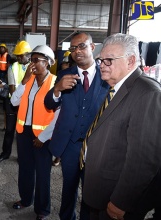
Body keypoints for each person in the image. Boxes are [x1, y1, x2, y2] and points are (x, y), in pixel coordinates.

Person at [83, 33, 161, 220]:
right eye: (101, 60)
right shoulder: (116, 88)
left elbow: (143, 159)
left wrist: (121, 201)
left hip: (115, 199)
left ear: (131, 61)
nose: (101, 64)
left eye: (108, 60)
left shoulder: (147, 93)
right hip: (101, 192)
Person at [44, 32, 109, 220]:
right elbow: (50, 104)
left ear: (92, 47)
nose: (77, 51)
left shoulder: (106, 75)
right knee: (69, 188)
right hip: (70, 145)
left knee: (91, 192)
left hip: (96, 146)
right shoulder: (64, 74)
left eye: (81, 46)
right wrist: (56, 90)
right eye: (73, 48)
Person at [11, 45, 58, 220]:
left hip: (44, 135)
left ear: (48, 63)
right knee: (25, 169)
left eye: (37, 60)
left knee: (43, 173)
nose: (33, 63)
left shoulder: (55, 82)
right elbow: (14, 102)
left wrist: (43, 136)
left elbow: (58, 115)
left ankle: (42, 209)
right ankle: (26, 199)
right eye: (32, 59)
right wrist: (23, 81)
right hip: (24, 132)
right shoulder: (28, 81)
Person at [0, 40, 31, 162]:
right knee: (9, 130)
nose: (19, 57)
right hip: (13, 103)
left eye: (21, 55)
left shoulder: (35, 68)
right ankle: (5, 153)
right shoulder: (12, 67)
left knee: (23, 132)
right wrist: (17, 103)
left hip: (28, 105)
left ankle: (23, 155)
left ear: (28, 55)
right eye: (17, 55)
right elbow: (12, 88)